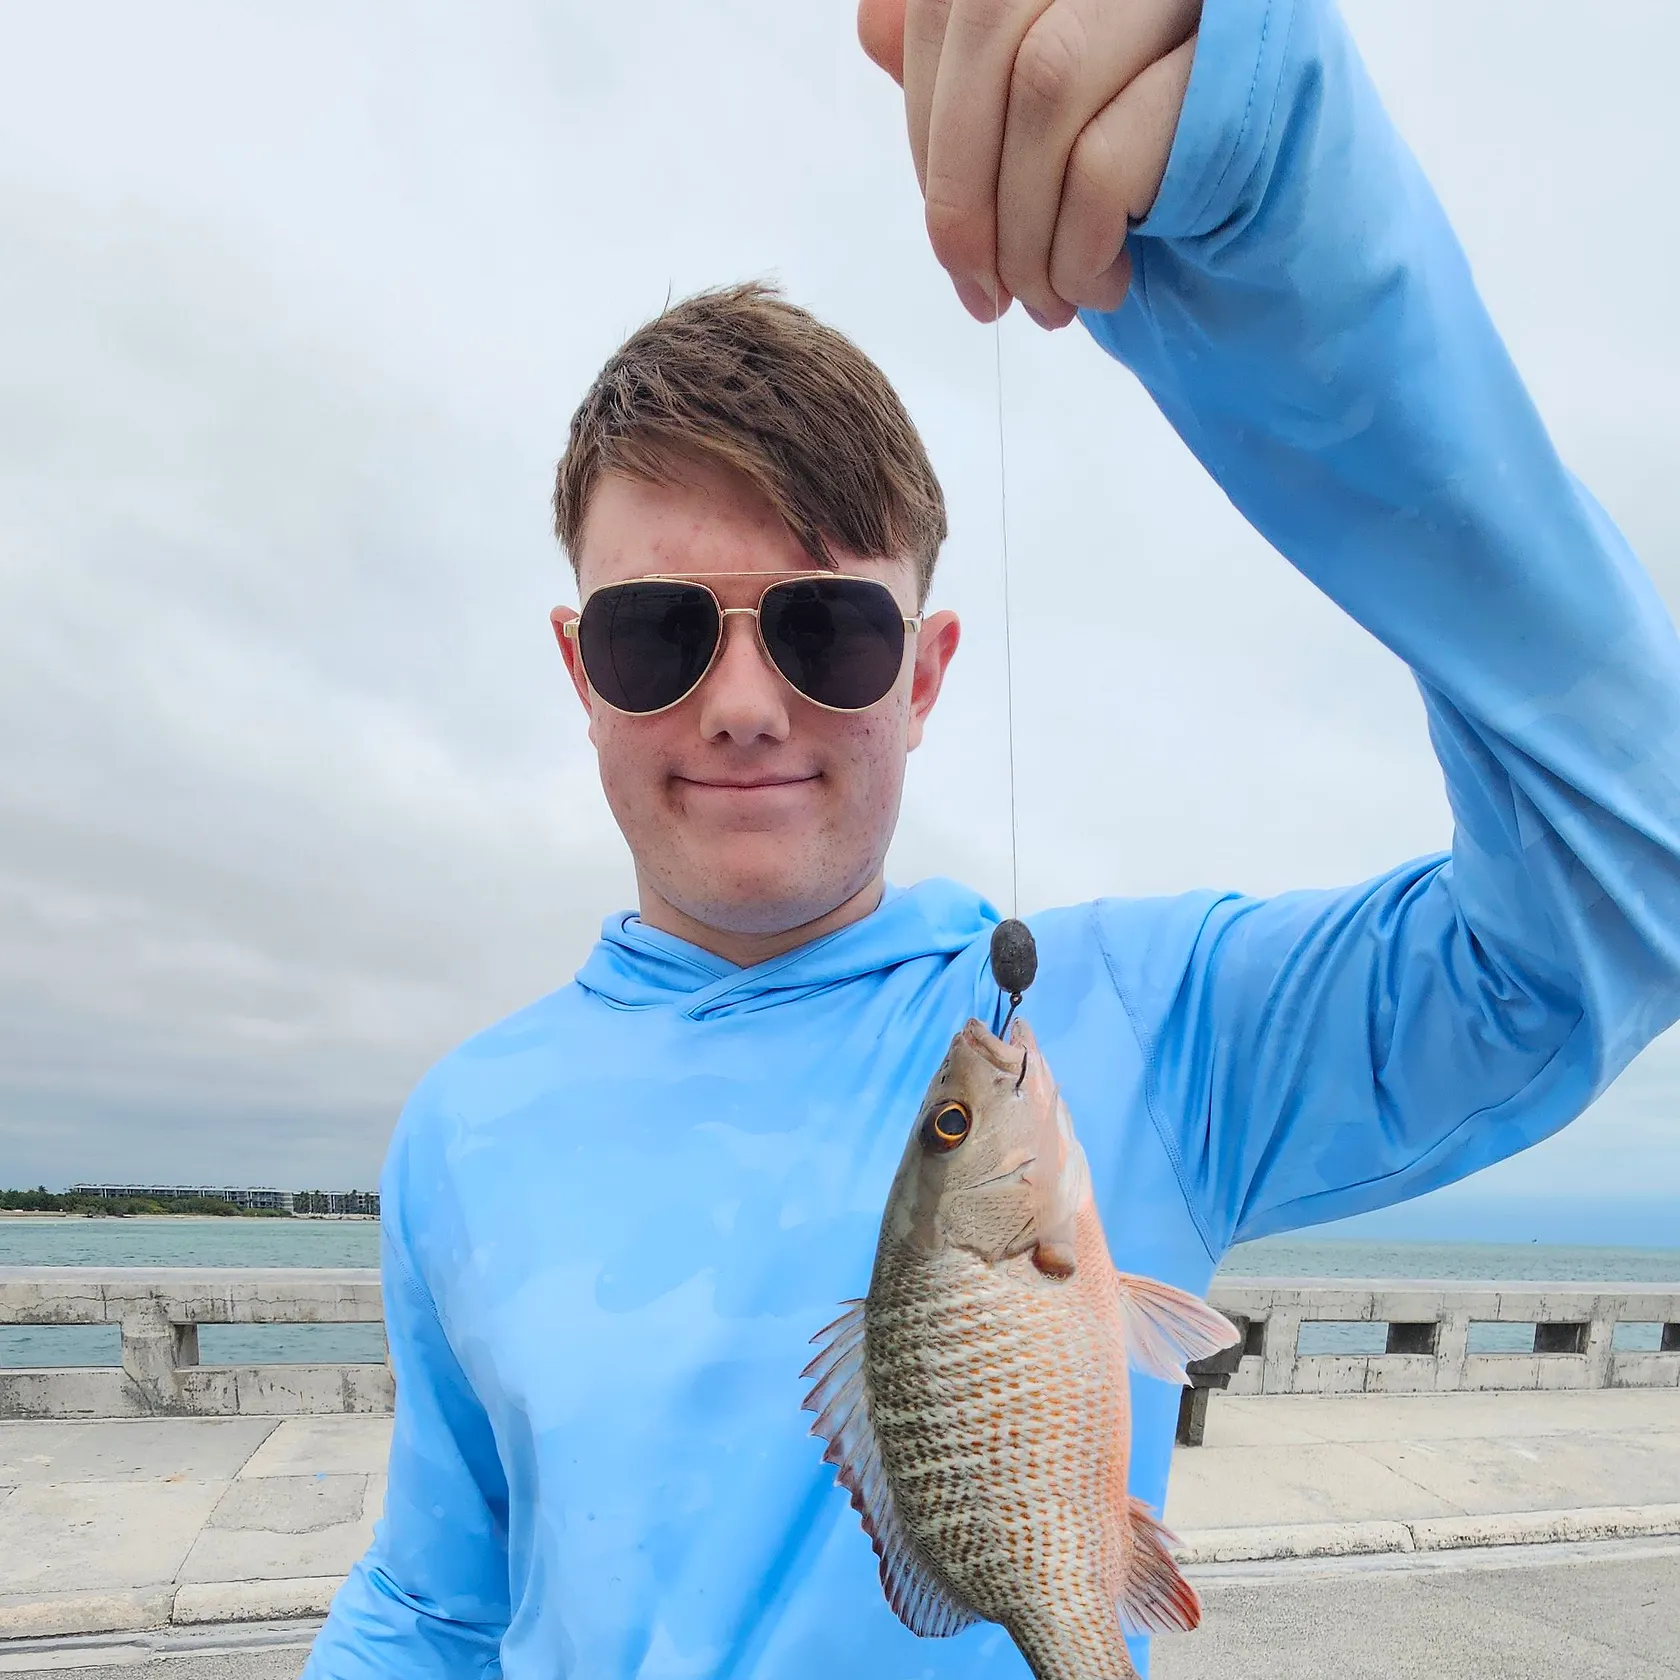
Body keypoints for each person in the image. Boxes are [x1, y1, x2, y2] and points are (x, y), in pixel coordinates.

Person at [305, 0, 1680, 1674]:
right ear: (578, 670)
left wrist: (1290, 230)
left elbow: (1631, 881)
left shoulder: (1148, 1022)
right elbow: (433, 1605)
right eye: (656, 633)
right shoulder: (461, 1129)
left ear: (928, 672)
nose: (741, 705)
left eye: (826, 631)